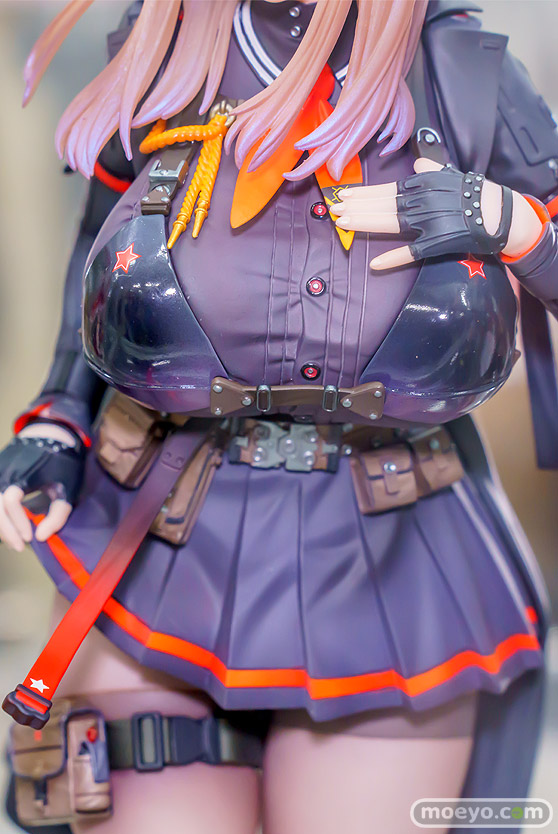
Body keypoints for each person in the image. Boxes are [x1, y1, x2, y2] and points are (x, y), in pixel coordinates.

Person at [2, 1, 557, 833]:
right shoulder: (166, 49)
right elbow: (102, 249)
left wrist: (509, 224)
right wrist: (57, 419)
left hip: (391, 565)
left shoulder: (458, 72)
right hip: (161, 539)